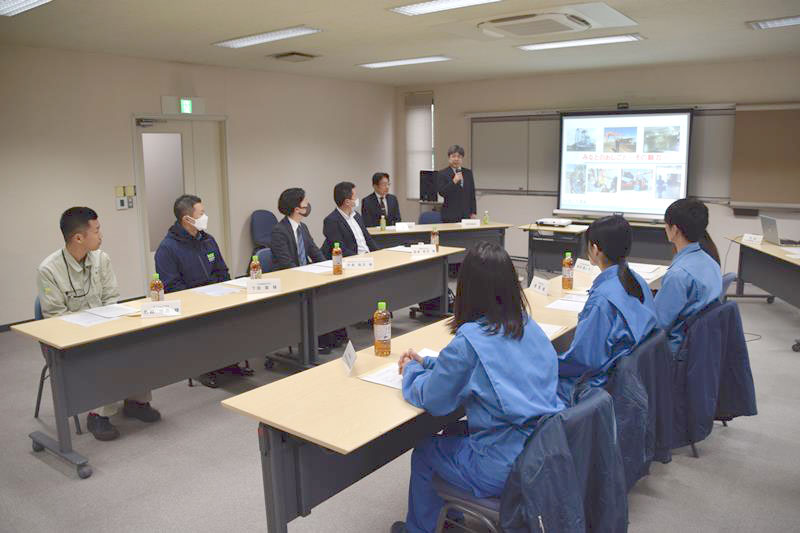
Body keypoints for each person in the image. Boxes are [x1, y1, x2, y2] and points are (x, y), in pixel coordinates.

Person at [391, 242, 564, 533]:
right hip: (541, 450)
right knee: (453, 431)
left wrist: (411, 371)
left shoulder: (470, 339)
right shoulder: (526, 325)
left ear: (466, 289)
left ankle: (420, 529)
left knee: (424, 450)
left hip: (504, 464)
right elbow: (489, 367)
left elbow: (433, 399)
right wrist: (432, 363)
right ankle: (448, 517)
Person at [37, 207, 160, 441]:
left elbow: (111, 298)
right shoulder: (49, 270)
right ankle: (97, 414)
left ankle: (136, 401)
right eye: (97, 230)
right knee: (103, 353)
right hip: (69, 337)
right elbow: (55, 318)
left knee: (138, 342)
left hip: (104, 325)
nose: (101, 235)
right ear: (79, 237)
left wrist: (109, 324)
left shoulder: (101, 258)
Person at [556, 216, 657, 403]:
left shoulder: (602, 301)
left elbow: (583, 360)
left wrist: (548, 363)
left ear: (594, 249)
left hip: (600, 385)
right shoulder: (636, 280)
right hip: (631, 378)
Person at [155, 194, 250, 387]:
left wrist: (227, 291)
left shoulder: (208, 240)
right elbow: (172, 287)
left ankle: (230, 361)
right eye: (202, 213)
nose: (205, 216)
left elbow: (222, 270)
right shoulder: (167, 249)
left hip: (216, 296)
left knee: (235, 315)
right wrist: (201, 297)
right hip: (190, 304)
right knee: (207, 322)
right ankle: (204, 368)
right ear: (187, 219)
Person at [655, 199, 722, 354]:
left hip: (677, 350)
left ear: (675, 230)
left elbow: (657, 325)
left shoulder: (678, 275)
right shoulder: (710, 262)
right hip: (702, 346)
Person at [270, 188, 325, 270]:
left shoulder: (303, 227)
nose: (307, 203)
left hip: (305, 272)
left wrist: (328, 266)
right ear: (297, 210)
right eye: (305, 202)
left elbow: (315, 252)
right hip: (290, 275)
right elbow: (286, 263)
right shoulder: (279, 231)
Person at [321, 181, 378, 258]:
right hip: (354, 261)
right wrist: (361, 258)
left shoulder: (357, 216)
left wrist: (379, 254)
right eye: (355, 197)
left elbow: (368, 239)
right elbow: (341, 249)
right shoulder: (331, 221)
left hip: (369, 257)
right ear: (347, 202)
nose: (357, 199)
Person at [436, 145, 476, 223]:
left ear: (462, 159)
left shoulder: (468, 173)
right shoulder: (442, 173)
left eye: (459, 157)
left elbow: (472, 194)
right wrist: (453, 181)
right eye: (453, 156)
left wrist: (473, 212)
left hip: (466, 215)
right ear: (449, 158)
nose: (456, 159)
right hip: (449, 215)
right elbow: (442, 192)